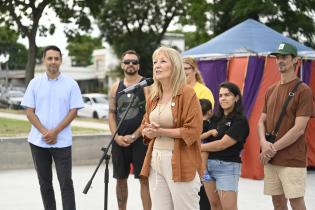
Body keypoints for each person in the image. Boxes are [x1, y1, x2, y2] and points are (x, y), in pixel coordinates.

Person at [21, 45, 84, 210]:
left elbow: (73, 111)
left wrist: (55, 132)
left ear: (61, 61)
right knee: (45, 184)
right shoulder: (35, 83)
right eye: (50, 58)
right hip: (38, 142)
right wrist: (45, 132)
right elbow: (29, 111)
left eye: (56, 58)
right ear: (44, 61)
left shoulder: (71, 84)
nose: (53, 62)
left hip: (62, 142)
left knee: (66, 183)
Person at [140, 46, 203, 210]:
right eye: (155, 62)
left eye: (162, 61)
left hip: (180, 160)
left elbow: (193, 131)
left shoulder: (187, 93)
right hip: (156, 159)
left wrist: (161, 132)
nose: (157, 65)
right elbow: (145, 124)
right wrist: (147, 130)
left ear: (174, 65)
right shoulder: (154, 96)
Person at [258, 42, 315, 210]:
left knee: (296, 202)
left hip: (292, 159)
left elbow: (298, 129)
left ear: (295, 60)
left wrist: (271, 148)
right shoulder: (270, 89)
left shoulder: (303, 90)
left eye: (285, 57)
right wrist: (263, 143)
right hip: (272, 159)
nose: (280, 61)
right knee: (277, 202)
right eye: (277, 57)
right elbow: (261, 121)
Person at [108, 50, 151, 210]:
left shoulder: (146, 86)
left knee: (144, 178)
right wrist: (116, 136)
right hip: (119, 140)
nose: (130, 64)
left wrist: (134, 135)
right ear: (122, 65)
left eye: (134, 62)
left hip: (140, 140)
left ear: (138, 65)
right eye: (127, 62)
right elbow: (111, 114)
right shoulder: (115, 87)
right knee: (120, 179)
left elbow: (150, 114)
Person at [201, 82, 250, 210]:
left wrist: (197, 148)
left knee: (228, 208)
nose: (223, 98)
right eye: (221, 95)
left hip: (227, 168)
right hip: (207, 167)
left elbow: (222, 144)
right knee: (214, 206)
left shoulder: (240, 120)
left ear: (236, 98)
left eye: (227, 95)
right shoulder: (215, 119)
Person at [183, 56, 215, 210]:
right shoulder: (178, 89)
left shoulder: (204, 91)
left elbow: (204, 118)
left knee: (201, 189)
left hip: (199, 145)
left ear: (194, 70)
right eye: (181, 70)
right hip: (182, 144)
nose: (184, 73)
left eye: (187, 69)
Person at [199, 99, 218, 205]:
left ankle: (204, 177)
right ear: (210, 111)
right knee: (203, 164)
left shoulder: (202, 122)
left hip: (203, 149)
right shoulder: (204, 123)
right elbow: (199, 137)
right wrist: (210, 132)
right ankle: (204, 177)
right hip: (203, 148)